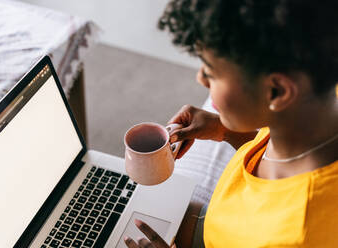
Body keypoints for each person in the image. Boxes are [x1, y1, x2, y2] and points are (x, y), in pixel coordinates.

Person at [124, 0, 338, 247]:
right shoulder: (307, 112)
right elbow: (269, 163)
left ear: (277, 92)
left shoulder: (298, 233)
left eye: (211, 72)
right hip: (221, 223)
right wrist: (223, 130)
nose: (200, 78)